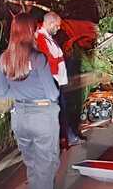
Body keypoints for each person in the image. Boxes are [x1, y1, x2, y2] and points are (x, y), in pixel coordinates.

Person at [0, 13, 68, 189]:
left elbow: (2, 93)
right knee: (46, 167)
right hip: (42, 115)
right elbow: (52, 94)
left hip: (20, 116)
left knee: (33, 166)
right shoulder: (38, 58)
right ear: (30, 30)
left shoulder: (4, 58)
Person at [35, 11, 82, 147]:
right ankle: (64, 139)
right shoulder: (41, 39)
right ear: (49, 23)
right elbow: (47, 61)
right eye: (57, 25)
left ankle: (65, 138)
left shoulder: (47, 37)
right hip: (51, 82)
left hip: (55, 81)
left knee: (60, 111)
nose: (59, 28)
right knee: (57, 112)